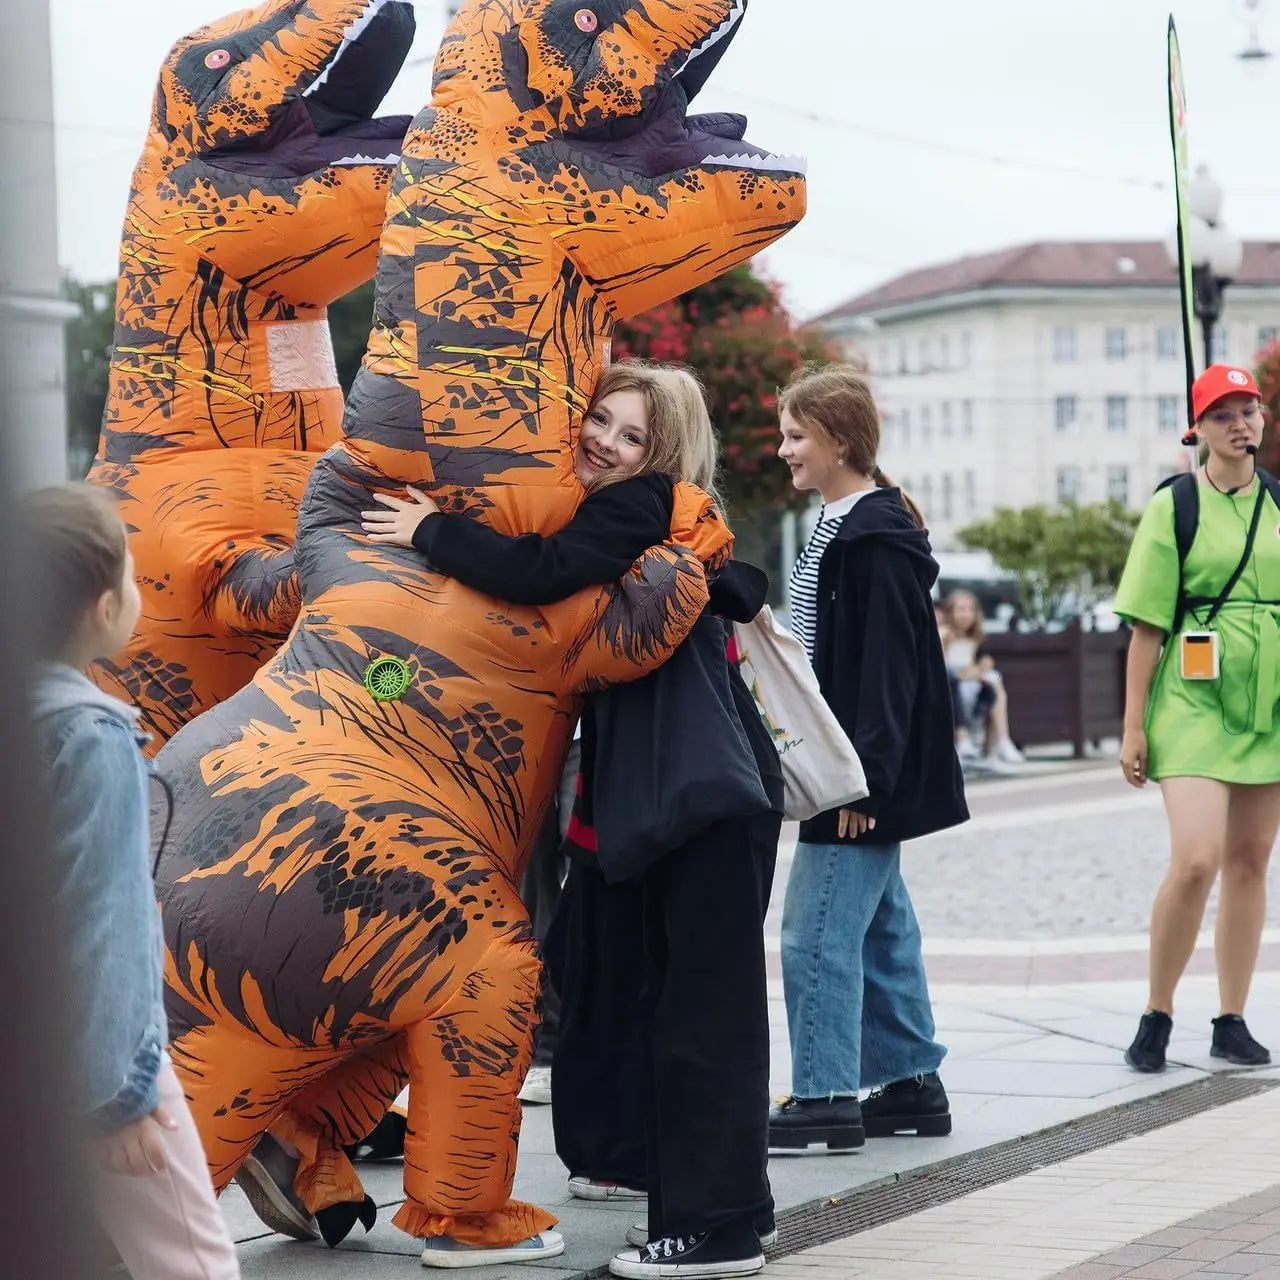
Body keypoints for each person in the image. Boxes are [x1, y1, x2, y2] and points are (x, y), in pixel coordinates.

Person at [364, 361, 783, 1280]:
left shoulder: (640, 506)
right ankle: (731, 1213)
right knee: (688, 1008)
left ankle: (715, 1232)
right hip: (701, 797)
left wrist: (426, 528)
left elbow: (539, 572)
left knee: (698, 1019)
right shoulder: (665, 520)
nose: (605, 442)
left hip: (702, 800)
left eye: (631, 435)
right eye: (601, 420)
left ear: (658, 453)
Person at [25, 484, 241, 1280]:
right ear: (98, 605)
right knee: (191, 1261)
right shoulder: (89, 734)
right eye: (133, 574)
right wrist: (116, 1096)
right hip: (99, 1062)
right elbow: (102, 917)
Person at [769, 364, 968, 1153]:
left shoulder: (871, 539)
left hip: (852, 773)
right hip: (846, 761)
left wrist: (862, 783)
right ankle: (912, 1081)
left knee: (813, 933)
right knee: (882, 930)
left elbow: (886, 672)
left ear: (841, 442)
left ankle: (823, 1097)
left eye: (795, 436)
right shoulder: (844, 524)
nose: (783, 449)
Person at [1116, 364, 1280, 1074]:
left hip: (1267, 699)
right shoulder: (1174, 505)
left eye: (1249, 409)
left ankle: (1232, 1018)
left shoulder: (1279, 504)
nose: (1240, 423)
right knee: (1197, 860)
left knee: (1250, 863)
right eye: (1223, 414)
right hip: (1190, 698)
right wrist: (1132, 726)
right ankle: (1157, 1011)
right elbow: (1145, 628)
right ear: (1199, 430)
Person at [942, 590, 1024, 767]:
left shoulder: (974, 639)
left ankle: (997, 744)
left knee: (994, 682)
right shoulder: (944, 635)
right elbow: (947, 669)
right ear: (950, 612)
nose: (966, 614)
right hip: (951, 689)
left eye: (970, 609)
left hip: (971, 685)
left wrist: (983, 665)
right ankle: (973, 740)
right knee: (986, 684)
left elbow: (974, 664)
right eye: (961, 609)